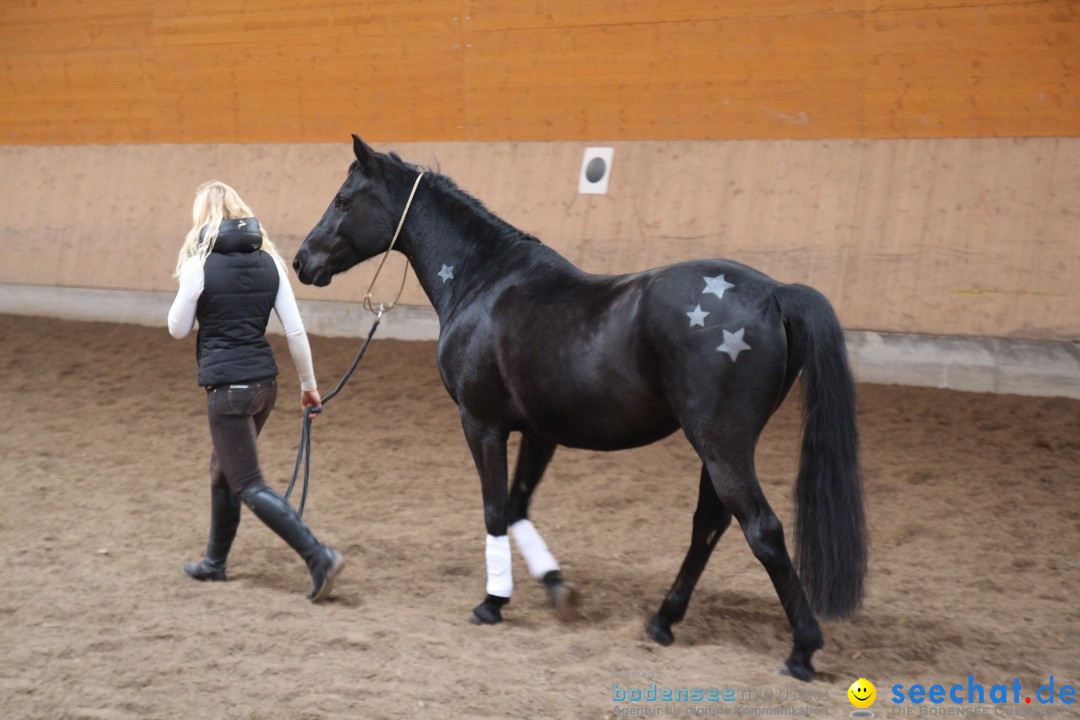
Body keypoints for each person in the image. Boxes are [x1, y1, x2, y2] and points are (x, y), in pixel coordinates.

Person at [168, 180, 343, 602]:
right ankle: (214, 563)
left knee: (247, 483)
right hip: (265, 386)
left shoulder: (199, 265)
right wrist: (309, 386)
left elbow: (176, 329)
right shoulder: (270, 263)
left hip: (227, 390)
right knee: (223, 471)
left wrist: (191, 287)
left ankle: (318, 556)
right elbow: (296, 332)